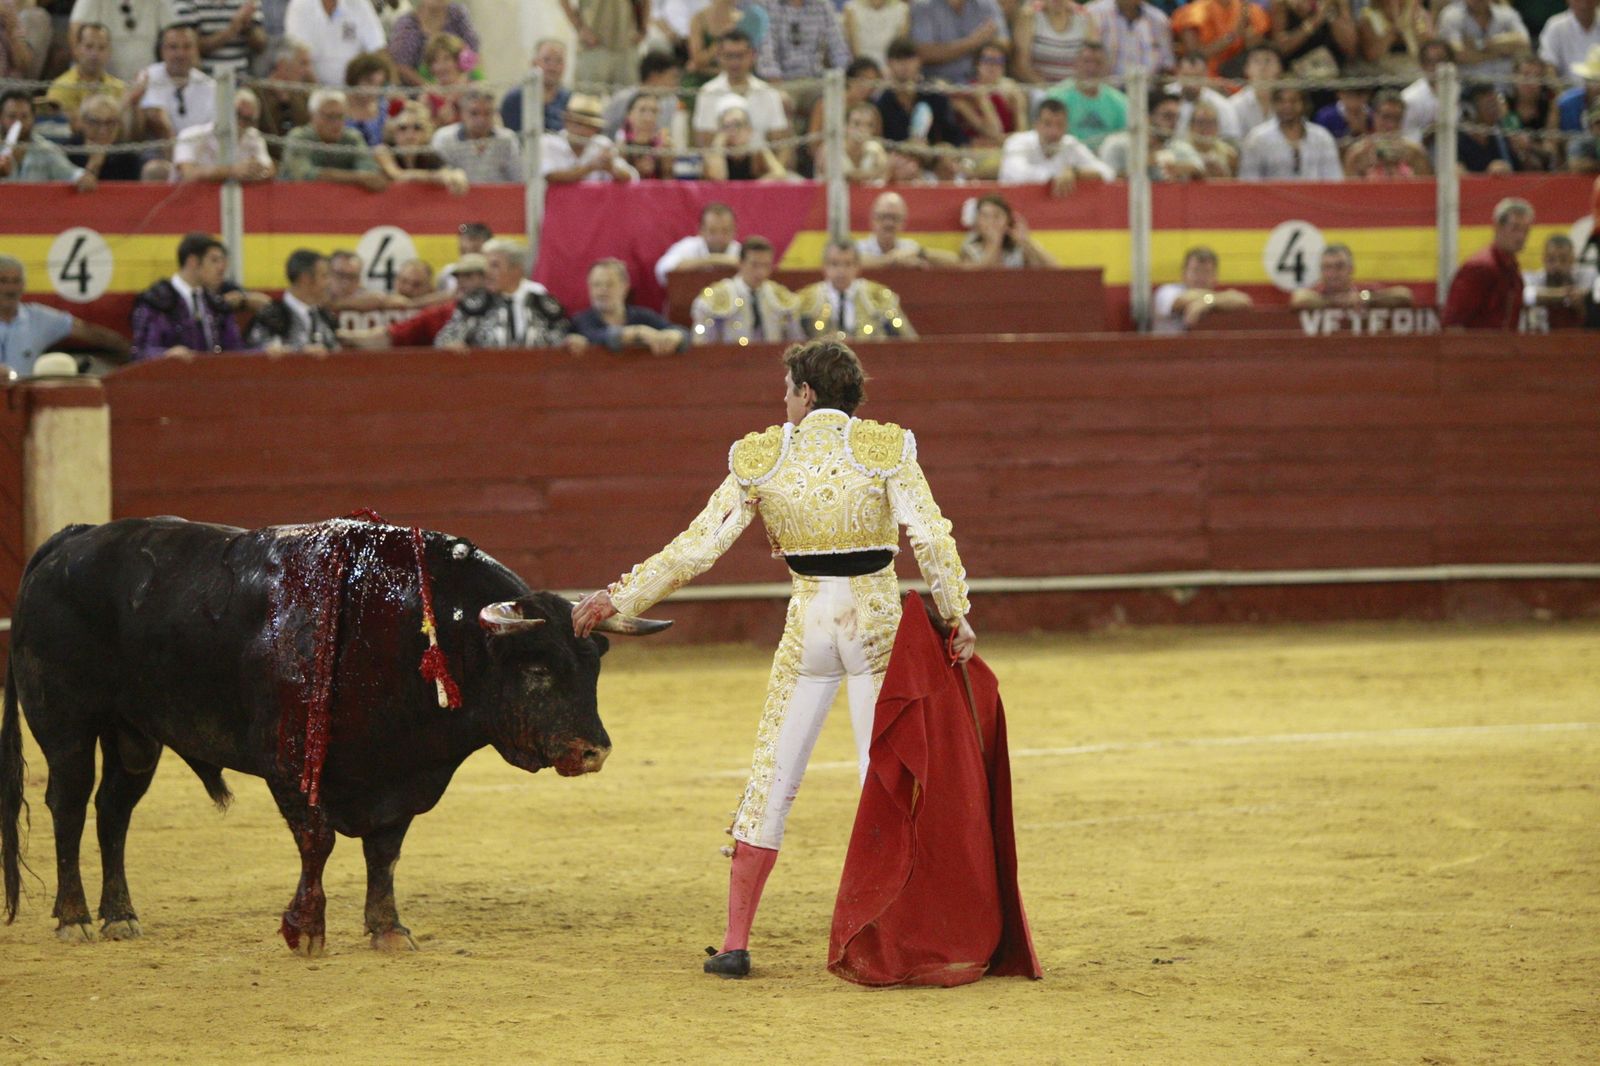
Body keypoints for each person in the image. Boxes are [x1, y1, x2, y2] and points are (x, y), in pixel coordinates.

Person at [571, 339, 976, 979]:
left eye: (787, 390)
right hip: (875, 624)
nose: (783, 402)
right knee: (883, 775)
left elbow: (697, 547)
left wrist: (616, 597)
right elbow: (929, 535)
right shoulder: (886, 446)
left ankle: (735, 944)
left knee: (772, 776)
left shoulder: (764, 456)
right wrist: (955, 614)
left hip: (808, 623)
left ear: (806, 393)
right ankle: (893, 935)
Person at [0, 254, 129, 377]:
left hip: (23, 392)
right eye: (3, 281)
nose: (10, 289)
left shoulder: (37, 318)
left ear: (23, 285)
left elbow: (87, 331)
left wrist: (129, 350)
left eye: (16, 281)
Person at [130, 232, 245, 359]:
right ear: (192, 262)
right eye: (214, 260)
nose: (222, 268)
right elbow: (141, 351)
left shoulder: (216, 305)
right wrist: (165, 355)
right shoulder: (156, 301)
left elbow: (235, 351)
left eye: (222, 261)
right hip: (170, 372)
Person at [693, 30, 789, 160]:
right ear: (719, 56)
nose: (735, 62)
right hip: (720, 165)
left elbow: (781, 143)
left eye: (740, 56)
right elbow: (704, 144)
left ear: (752, 55)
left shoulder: (769, 93)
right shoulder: (707, 92)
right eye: (729, 56)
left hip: (761, 164)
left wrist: (775, 170)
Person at [691, 236, 805, 345]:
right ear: (740, 263)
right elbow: (703, 342)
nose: (761, 272)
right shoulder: (718, 295)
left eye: (766, 265)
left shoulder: (780, 295)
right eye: (754, 265)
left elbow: (796, 339)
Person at [1442, 196, 1533, 329]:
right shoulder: (1480, 268)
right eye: (1515, 228)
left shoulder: (1511, 269)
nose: (1521, 237)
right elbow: (1453, 323)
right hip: (1478, 342)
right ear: (1498, 227)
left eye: (1525, 230)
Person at [798, 240, 916, 341]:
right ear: (824, 266)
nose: (841, 271)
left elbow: (908, 338)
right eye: (834, 264)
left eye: (848, 264)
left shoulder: (878, 295)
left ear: (857, 266)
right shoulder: (807, 298)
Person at [572, 259, 691, 355]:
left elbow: (683, 333)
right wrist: (638, 332)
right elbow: (595, 336)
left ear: (625, 286)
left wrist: (675, 336)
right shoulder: (581, 320)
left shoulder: (642, 316)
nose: (602, 291)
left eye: (610, 284)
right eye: (596, 285)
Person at [998, 97, 1114, 193]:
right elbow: (1017, 174)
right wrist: (1058, 176)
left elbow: (1108, 173)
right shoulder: (1017, 142)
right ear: (1036, 124)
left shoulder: (1070, 144)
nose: (1054, 131)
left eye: (1060, 125)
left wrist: (1076, 172)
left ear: (1067, 126)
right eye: (1047, 124)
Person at [281, 88, 389, 189]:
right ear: (312, 115)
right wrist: (357, 178)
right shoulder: (299, 137)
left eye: (341, 116)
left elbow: (369, 171)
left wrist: (362, 177)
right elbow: (305, 175)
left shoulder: (352, 138)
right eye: (330, 116)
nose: (336, 123)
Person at [174, 86, 276, 182]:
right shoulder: (191, 136)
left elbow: (269, 169)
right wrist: (230, 171)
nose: (240, 123)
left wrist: (256, 171)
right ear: (225, 110)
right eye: (237, 114)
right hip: (195, 194)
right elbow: (188, 174)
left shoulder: (253, 137)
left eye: (247, 119)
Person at [246, 248, 340, 353]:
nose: (329, 283)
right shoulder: (272, 316)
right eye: (324, 276)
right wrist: (300, 352)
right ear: (305, 278)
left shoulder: (325, 316)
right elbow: (257, 353)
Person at [1239, 87, 1344, 180]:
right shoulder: (1257, 138)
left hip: (1315, 195)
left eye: (1293, 101)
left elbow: (1333, 178)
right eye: (1281, 101)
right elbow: (1249, 180)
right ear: (1273, 104)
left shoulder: (1322, 137)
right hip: (1270, 195)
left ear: (1304, 104)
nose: (1287, 106)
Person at [0, 91, 96, 191]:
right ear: (1, 117)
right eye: (12, 116)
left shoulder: (46, 150)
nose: (18, 123)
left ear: (33, 118)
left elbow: (70, 173)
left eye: (24, 116)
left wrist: (82, 178)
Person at [1099, 90, 1205, 181]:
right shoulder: (1117, 145)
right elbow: (1107, 178)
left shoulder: (1179, 147)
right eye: (1168, 116)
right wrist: (1143, 164)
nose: (1174, 123)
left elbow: (1201, 169)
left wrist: (1186, 169)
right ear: (1147, 118)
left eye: (1177, 117)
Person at [1043, 42, 1126, 154]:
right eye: (1086, 61)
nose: (1091, 68)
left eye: (1098, 63)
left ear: (1106, 67)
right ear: (1075, 64)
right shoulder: (1056, 97)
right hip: (1067, 156)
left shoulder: (1119, 102)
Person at [140, 24, 218, 141]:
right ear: (162, 51)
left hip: (200, 148)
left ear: (196, 50)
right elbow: (157, 121)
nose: (180, 54)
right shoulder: (148, 77)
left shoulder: (210, 86)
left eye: (187, 47)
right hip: (158, 149)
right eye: (173, 47)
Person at [1151, 245, 1252, 332]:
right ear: (1184, 273)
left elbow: (1245, 301)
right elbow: (1182, 300)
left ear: (1215, 276)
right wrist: (1212, 300)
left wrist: (1208, 302)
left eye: (1206, 272)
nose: (1200, 277)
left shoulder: (1211, 296)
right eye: (1196, 271)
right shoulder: (1167, 291)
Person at [284, 0, 386, 86]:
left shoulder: (360, 4)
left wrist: (388, 87)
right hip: (312, 87)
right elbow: (299, 56)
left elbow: (378, 48)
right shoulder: (300, 5)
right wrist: (319, 92)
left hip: (354, 89)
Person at [434, 88, 524, 184]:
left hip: (498, 193)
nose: (481, 119)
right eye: (474, 113)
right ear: (462, 113)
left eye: (487, 113)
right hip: (458, 193)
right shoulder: (445, 139)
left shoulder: (507, 139)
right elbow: (439, 178)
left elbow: (520, 179)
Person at [375, 101, 469, 192]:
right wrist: (433, 176)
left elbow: (445, 172)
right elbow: (397, 175)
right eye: (402, 128)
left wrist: (455, 175)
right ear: (392, 130)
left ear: (425, 132)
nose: (410, 135)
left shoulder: (427, 153)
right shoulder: (383, 150)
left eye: (417, 128)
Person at [541, 92, 636, 183]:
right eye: (578, 124)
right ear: (567, 123)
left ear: (596, 129)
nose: (582, 130)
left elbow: (631, 177)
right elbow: (549, 176)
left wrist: (611, 168)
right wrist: (590, 167)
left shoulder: (602, 144)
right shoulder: (548, 142)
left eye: (589, 126)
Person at [46, 22, 127, 126]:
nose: (95, 54)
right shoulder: (60, 88)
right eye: (89, 47)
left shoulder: (120, 88)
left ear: (109, 52)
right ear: (77, 49)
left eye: (101, 48)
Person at [910, 0, 1011, 84]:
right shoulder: (923, 6)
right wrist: (973, 42)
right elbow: (924, 53)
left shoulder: (987, 4)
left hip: (982, 82)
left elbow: (1004, 44)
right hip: (939, 84)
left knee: (1011, 91)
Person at [1289, 244, 1415, 309]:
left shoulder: (1366, 290)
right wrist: (1336, 301)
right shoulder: (1317, 293)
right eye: (1327, 267)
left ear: (1351, 269)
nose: (1333, 273)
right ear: (1321, 271)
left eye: (1339, 266)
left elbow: (1404, 295)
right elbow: (1299, 298)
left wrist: (1364, 298)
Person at [1436, 0, 1531, 85]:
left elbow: (1524, 42)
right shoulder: (1451, 15)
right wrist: (1501, 52)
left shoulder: (1507, 14)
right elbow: (1458, 54)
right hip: (1466, 88)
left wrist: (1480, 45)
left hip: (1504, 87)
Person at [387, 0, 479, 87]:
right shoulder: (406, 24)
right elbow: (400, 65)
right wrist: (432, 89)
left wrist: (462, 81)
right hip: (417, 90)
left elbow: (473, 50)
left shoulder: (457, 13)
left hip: (462, 85)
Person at [68, 0, 164, 82]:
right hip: (101, 84)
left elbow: (171, 34)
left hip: (147, 83)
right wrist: (89, 78)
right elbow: (75, 35)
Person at [1341, 90, 1432, 177]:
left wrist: (1411, 163)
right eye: (1385, 117)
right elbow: (1350, 186)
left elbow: (1426, 186)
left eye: (1397, 118)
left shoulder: (1415, 154)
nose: (1391, 125)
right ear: (1374, 116)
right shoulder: (1358, 155)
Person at [168, 0, 267, 78]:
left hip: (241, 79)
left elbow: (261, 46)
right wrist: (232, 29)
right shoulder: (186, 3)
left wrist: (248, 26)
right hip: (204, 80)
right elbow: (190, 48)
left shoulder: (246, 2)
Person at [1171, 0, 1270, 77]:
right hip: (1205, 78)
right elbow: (1194, 57)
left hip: (1242, 76)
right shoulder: (1192, 13)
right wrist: (1232, 36)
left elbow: (1258, 50)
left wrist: (1247, 31)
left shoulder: (1251, 10)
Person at [559, 0, 641, 92]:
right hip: (594, 46)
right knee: (588, 96)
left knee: (627, 95)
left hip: (626, 45)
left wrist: (643, 29)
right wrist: (580, 28)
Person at [856, 190, 954, 268]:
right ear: (873, 219)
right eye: (884, 216)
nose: (889, 223)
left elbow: (954, 261)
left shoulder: (910, 247)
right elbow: (856, 263)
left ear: (903, 222)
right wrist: (893, 260)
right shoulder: (859, 247)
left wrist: (920, 253)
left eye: (895, 218)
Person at [655, 202, 742, 287]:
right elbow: (664, 268)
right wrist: (713, 260)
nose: (719, 237)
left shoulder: (741, 250)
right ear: (701, 231)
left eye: (725, 231)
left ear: (735, 230)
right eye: (712, 231)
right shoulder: (688, 246)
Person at [64, 93, 146, 182]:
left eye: (110, 123)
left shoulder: (127, 154)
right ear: (83, 122)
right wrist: (94, 165)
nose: (103, 130)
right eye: (95, 122)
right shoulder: (69, 150)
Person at [960, 193, 1058, 266]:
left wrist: (1027, 242)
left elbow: (1055, 269)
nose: (990, 222)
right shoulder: (970, 249)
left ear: (1007, 221)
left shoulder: (1017, 249)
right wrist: (994, 243)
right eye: (985, 216)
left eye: (996, 216)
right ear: (977, 222)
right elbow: (976, 277)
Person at [499, 39, 572, 134]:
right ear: (534, 63)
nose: (552, 67)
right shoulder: (515, 98)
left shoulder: (570, 100)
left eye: (559, 61)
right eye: (546, 60)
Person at [605, 51, 682, 139]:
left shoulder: (671, 102)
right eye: (673, 77)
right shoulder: (622, 99)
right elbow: (607, 130)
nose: (676, 83)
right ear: (654, 76)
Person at [703, 103, 789, 181]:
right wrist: (719, 143)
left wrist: (754, 186)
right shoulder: (715, 153)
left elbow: (780, 174)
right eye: (726, 126)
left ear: (749, 129)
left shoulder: (756, 152)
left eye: (737, 125)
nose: (733, 131)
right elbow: (718, 178)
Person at [1088, 0, 1175, 77]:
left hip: (1148, 87)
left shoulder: (1159, 20)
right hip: (1104, 87)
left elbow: (1167, 65)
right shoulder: (1094, 14)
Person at [1358, 0, 1433, 79]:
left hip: (1415, 74)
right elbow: (1371, 55)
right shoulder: (1368, 18)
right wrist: (1394, 28)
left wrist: (1413, 26)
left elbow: (1430, 48)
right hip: (1383, 77)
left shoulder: (1418, 16)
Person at [1456, 82, 1520, 173]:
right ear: (1471, 110)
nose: (1495, 110)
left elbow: (1519, 169)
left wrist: (1525, 154)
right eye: (1489, 105)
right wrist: (1487, 174)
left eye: (1496, 103)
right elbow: (1458, 173)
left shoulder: (1500, 135)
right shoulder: (1458, 141)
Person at [1523, 232, 1596, 310]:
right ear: (1543, 258)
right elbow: (1527, 294)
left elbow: (1592, 292)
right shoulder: (1533, 278)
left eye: (1563, 260)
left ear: (1572, 259)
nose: (1557, 265)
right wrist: (1564, 295)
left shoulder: (1587, 274)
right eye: (1551, 259)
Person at [1540, 0, 1600, 83]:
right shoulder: (1555, 26)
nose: (1584, 5)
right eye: (1578, 0)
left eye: (1589, 0)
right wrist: (1559, 88)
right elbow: (1548, 64)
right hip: (1566, 88)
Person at [343, 50, 394, 146]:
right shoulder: (337, 106)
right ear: (354, 78)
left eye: (380, 84)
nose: (374, 90)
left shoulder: (384, 109)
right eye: (369, 82)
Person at [844, 0, 910, 67]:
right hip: (862, 66)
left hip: (892, 67)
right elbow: (855, 51)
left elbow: (899, 48)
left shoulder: (902, 10)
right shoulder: (851, 9)